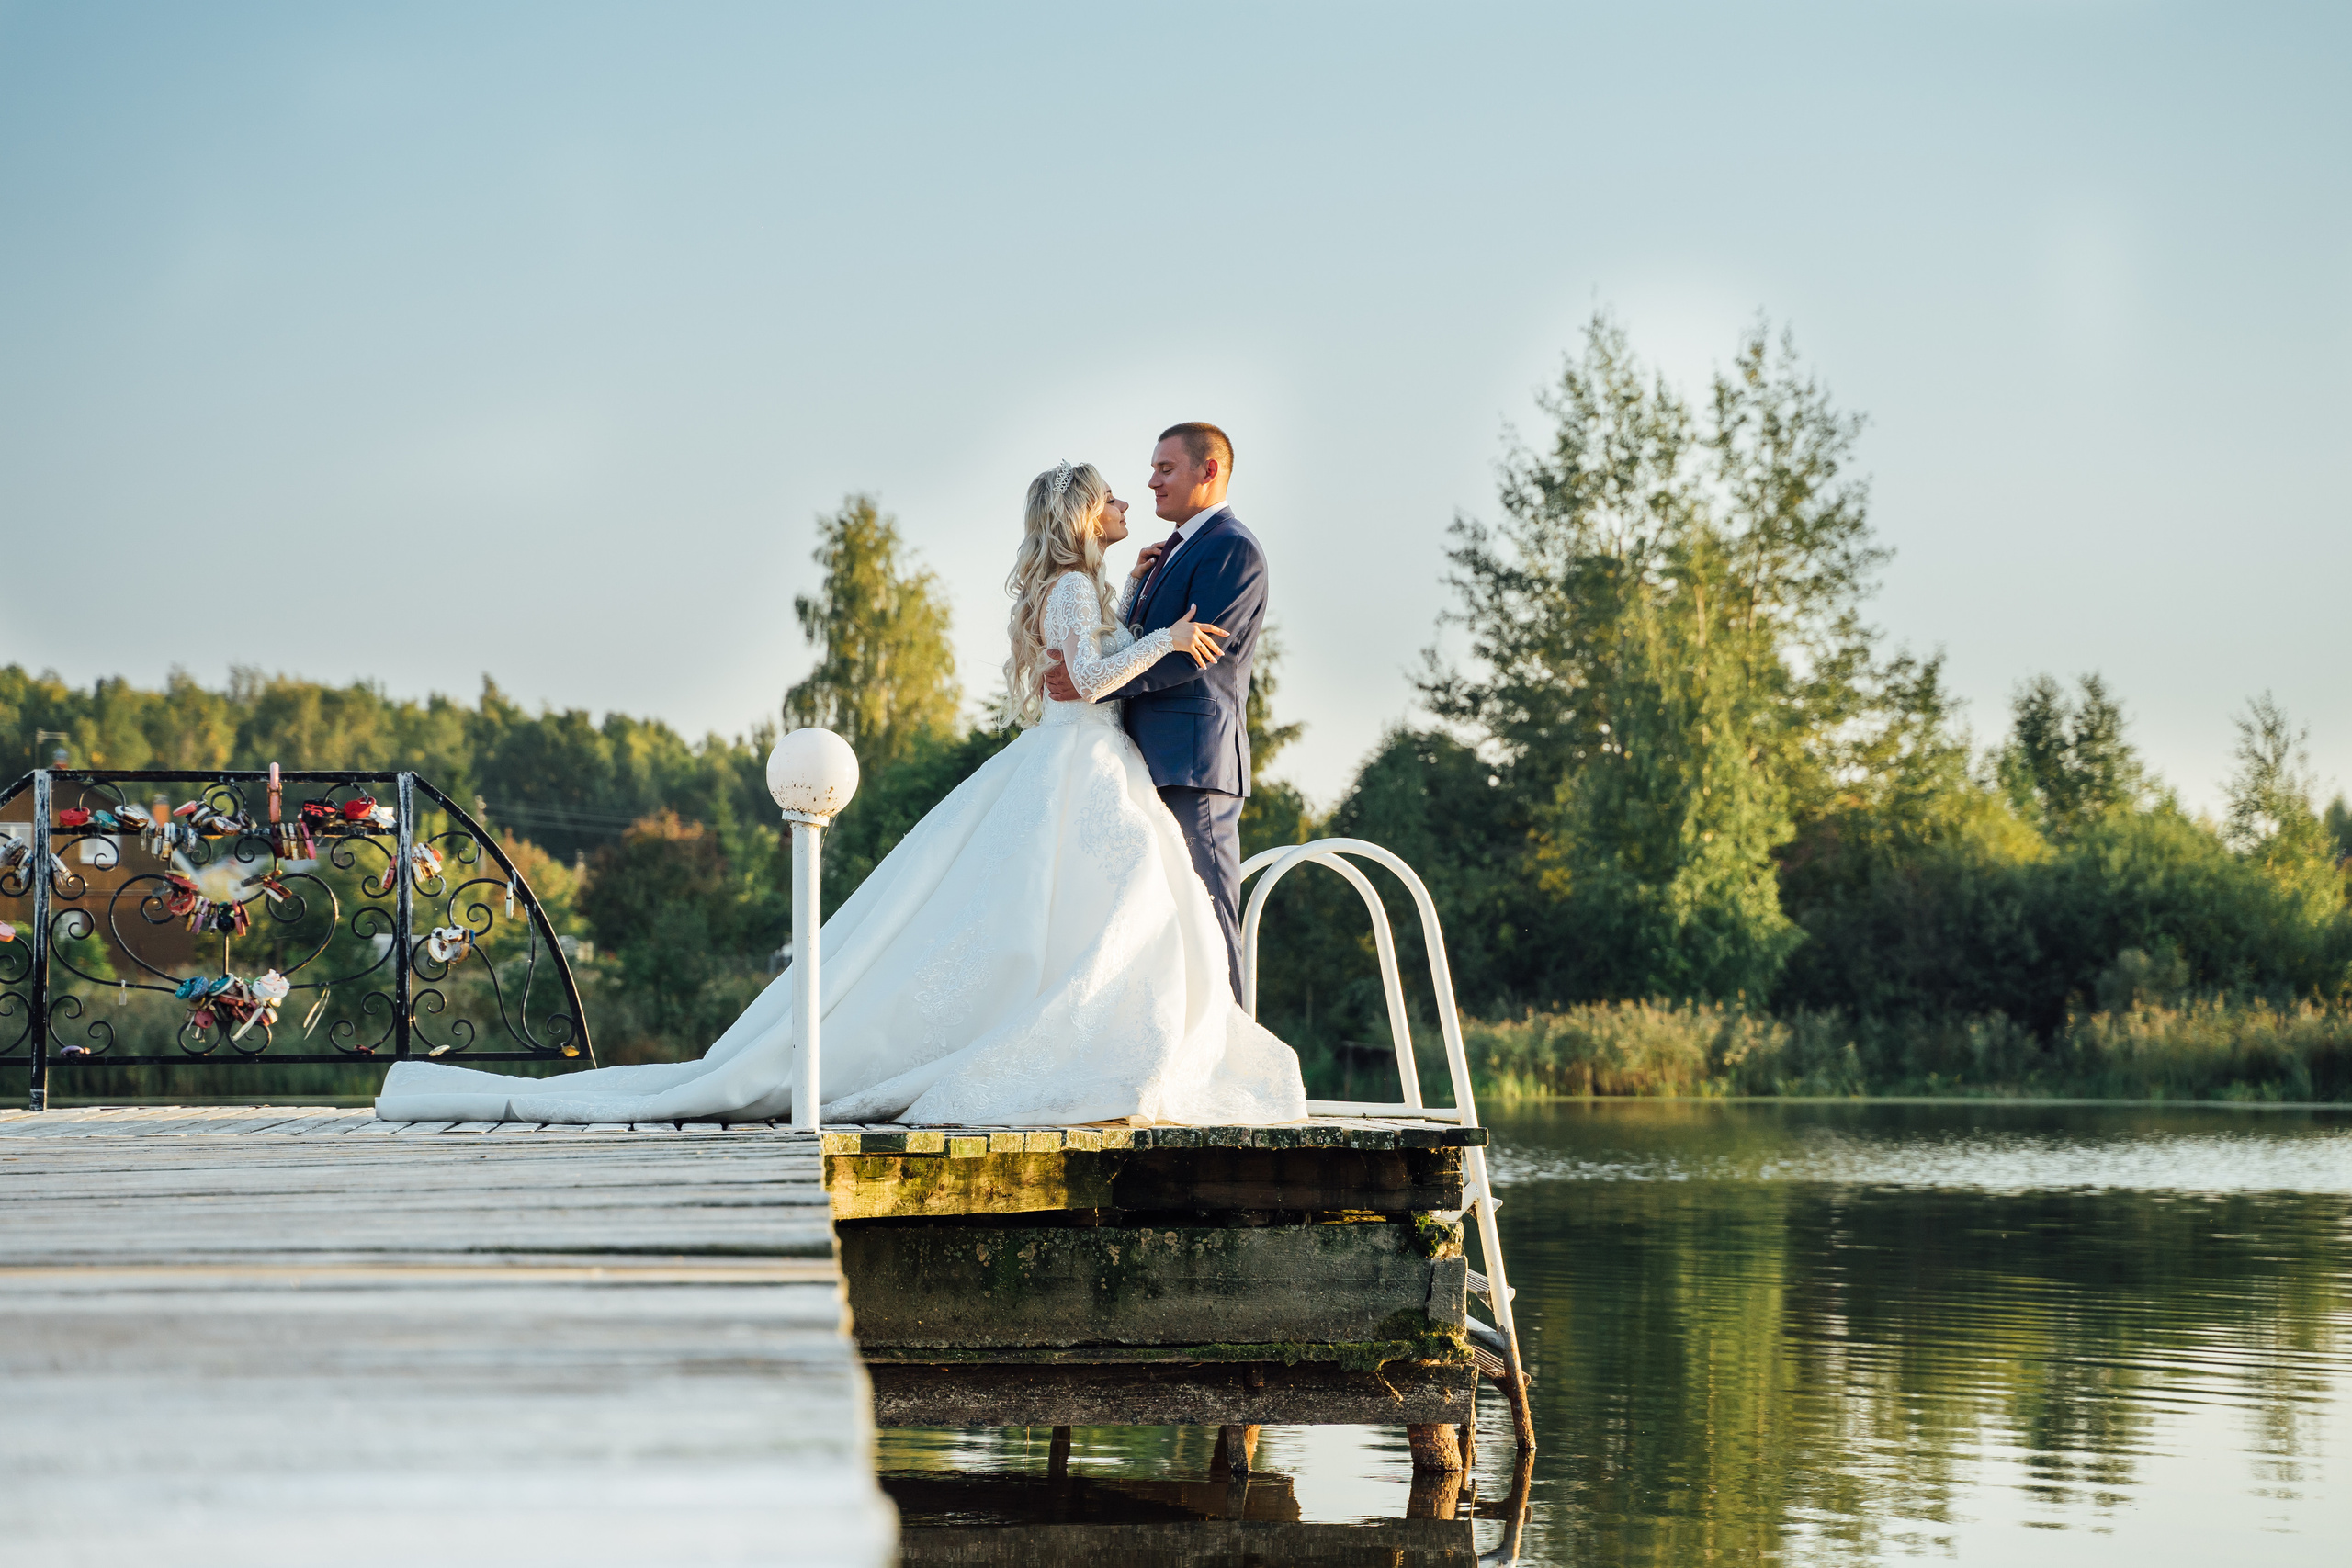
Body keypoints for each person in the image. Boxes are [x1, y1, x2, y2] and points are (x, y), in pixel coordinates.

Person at [373, 460, 1307, 1127]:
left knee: (1103, 915)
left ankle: (1110, 1044)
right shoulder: (1068, 587)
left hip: (1087, 763)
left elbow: (1079, 667)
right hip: (1082, 760)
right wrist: (1168, 642)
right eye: (1109, 497)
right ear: (1077, 513)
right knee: (1097, 913)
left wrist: (1135, 610)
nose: (1123, 506)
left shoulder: (1082, 582)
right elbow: (1091, 680)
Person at [1043, 422, 1260, 1000]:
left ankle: (1230, 1061)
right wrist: (1138, 591)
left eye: (1166, 469)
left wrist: (1094, 686)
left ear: (1208, 471)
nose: (1151, 482)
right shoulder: (1170, 553)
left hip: (1191, 764)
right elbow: (1140, 637)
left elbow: (1195, 656)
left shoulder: (1232, 548)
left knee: (1208, 914)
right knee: (1155, 926)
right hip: (1138, 765)